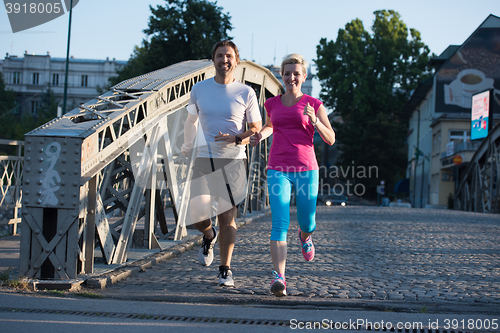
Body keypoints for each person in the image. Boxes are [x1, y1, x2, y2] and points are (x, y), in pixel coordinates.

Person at [250, 54, 335, 297]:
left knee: (307, 221)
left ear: (304, 76)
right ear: (282, 76)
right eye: (287, 73)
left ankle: (305, 236)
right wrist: (260, 136)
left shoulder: (314, 104)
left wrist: (315, 121)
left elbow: (331, 138)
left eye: (296, 73)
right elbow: (270, 126)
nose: (291, 77)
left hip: (307, 168)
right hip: (278, 168)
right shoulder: (272, 104)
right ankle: (279, 277)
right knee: (279, 222)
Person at [181, 40, 262, 287]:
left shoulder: (246, 92)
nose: (224, 60)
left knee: (227, 217)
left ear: (236, 61)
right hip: (204, 157)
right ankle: (208, 235)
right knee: (197, 213)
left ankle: (225, 269)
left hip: (234, 160)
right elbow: (191, 121)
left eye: (229, 56)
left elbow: (256, 128)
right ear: (213, 59)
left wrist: (237, 138)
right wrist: (186, 143)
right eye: (219, 56)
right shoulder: (199, 89)